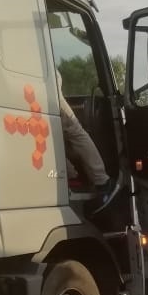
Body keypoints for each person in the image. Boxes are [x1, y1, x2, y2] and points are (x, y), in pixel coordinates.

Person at [56, 70, 117, 206]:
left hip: (43, 82)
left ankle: (101, 179)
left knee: (72, 131)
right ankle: (71, 175)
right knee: (51, 133)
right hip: (38, 82)